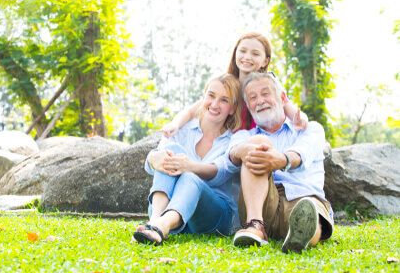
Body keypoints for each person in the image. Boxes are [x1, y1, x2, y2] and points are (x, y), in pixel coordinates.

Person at [223, 72, 333, 254]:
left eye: (265, 94)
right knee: (258, 143)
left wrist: (281, 160)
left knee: (308, 213)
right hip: (259, 205)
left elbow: (300, 154)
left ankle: (301, 236)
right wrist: (250, 150)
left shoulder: (310, 129)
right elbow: (231, 156)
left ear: (282, 98)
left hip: (303, 198)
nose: (260, 101)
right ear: (249, 106)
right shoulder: (244, 136)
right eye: (253, 97)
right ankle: (255, 226)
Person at [133, 74, 242, 245]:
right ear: (203, 97)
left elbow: (221, 173)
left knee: (190, 176)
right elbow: (154, 163)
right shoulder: (182, 128)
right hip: (175, 211)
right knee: (171, 151)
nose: (214, 104)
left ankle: (161, 225)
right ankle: (154, 222)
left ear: (233, 108)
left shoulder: (233, 140)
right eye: (211, 96)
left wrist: (190, 166)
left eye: (224, 100)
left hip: (214, 216)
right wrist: (154, 157)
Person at [160, 32, 308, 137]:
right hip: (229, 151)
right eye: (242, 51)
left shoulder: (267, 88)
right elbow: (192, 111)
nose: (247, 57)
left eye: (255, 54)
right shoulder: (227, 86)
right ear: (235, 53)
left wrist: (302, 121)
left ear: (266, 60)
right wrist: (175, 124)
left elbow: (294, 113)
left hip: (260, 146)